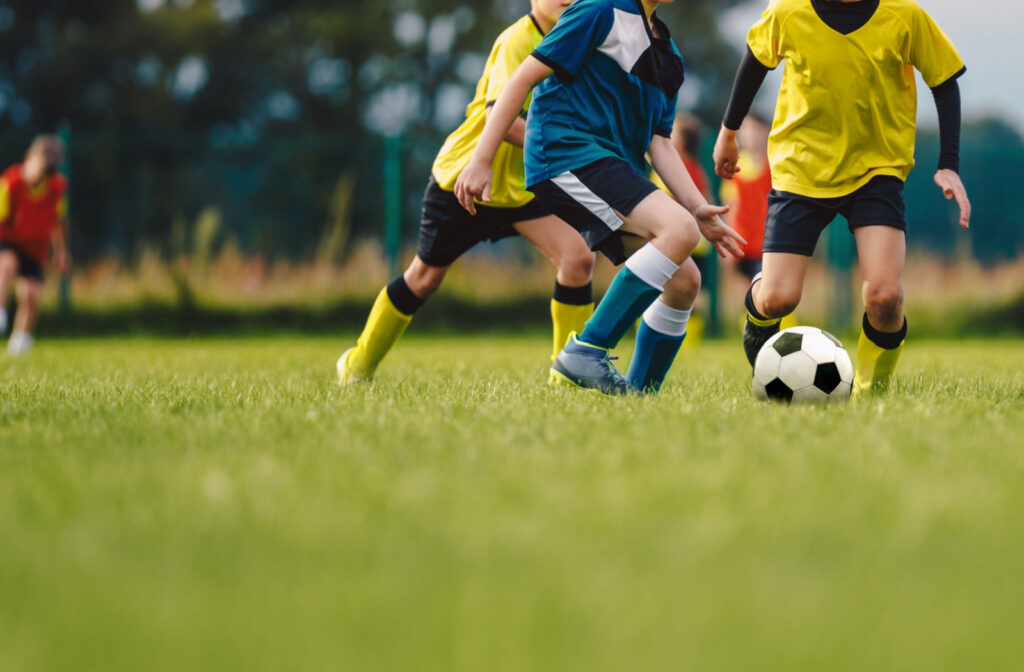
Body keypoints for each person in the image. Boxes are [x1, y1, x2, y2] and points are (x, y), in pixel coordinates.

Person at [456, 0, 745, 395]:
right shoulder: (599, 10)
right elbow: (520, 80)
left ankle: (640, 394)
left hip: (609, 166)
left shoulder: (670, 57)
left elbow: (659, 142)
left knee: (685, 281)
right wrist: (481, 159)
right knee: (678, 231)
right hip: (564, 153)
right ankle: (586, 349)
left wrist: (699, 209)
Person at [713, 0, 970, 399]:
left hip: (877, 170)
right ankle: (757, 309)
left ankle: (869, 395)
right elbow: (755, 59)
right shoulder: (788, 11)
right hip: (801, 170)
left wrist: (948, 163)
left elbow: (944, 80)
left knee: (885, 297)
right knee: (778, 298)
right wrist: (728, 133)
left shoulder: (904, 15)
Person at [337, 0, 595, 385]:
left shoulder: (577, 43)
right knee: (423, 278)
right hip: (467, 179)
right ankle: (357, 366)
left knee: (577, 258)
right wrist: (571, 147)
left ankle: (566, 380)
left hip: (524, 186)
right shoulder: (517, 40)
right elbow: (501, 119)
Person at [0, 135, 70, 356]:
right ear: (29, 157)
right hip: (7, 239)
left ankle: (20, 342)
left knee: (31, 295)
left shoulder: (57, 188)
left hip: (34, 244)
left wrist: (61, 251)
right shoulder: (10, 182)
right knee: (7, 264)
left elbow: (58, 221)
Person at [718, 113, 771, 282]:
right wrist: (727, 241)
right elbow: (730, 206)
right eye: (746, 130)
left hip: (769, 242)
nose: (751, 135)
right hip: (743, 243)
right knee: (752, 288)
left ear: (766, 132)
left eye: (756, 129)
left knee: (766, 286)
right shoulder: (735, 168)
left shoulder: (775, 164)